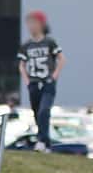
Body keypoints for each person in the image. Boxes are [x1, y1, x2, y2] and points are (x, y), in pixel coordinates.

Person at [17, 10, 63, 149]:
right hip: (33, 83)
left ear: (41, 24)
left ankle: (41, 140)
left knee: (44, 111)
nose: (31, 26)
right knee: (37, 113)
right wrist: (27, 81)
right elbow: (21, 65)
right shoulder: (26, 45)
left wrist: (54, 76)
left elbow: (61, 59)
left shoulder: (49, 42)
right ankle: (45, 142)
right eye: (29, 23)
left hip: (47, 82)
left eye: (34, 23)